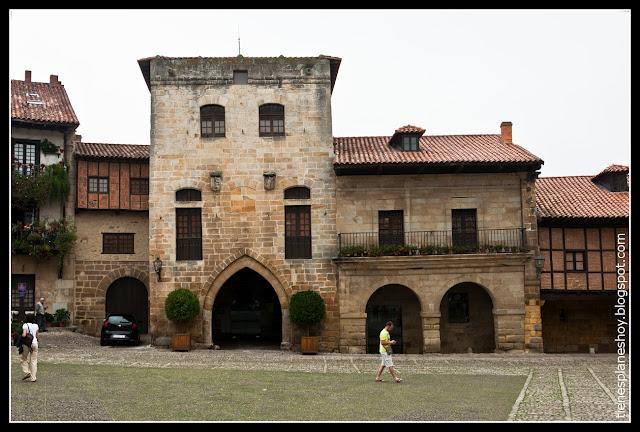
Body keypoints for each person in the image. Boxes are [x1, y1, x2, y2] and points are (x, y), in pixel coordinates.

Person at [20, 315, 39, 383]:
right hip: (34, 343)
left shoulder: (25, 325)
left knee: (23, 358)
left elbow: (24, 335)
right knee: (34, 361)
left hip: (27, 344)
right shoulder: (36, 326)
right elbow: (36, 336)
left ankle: (27, 372)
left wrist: (20, 336)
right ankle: (33, 378)